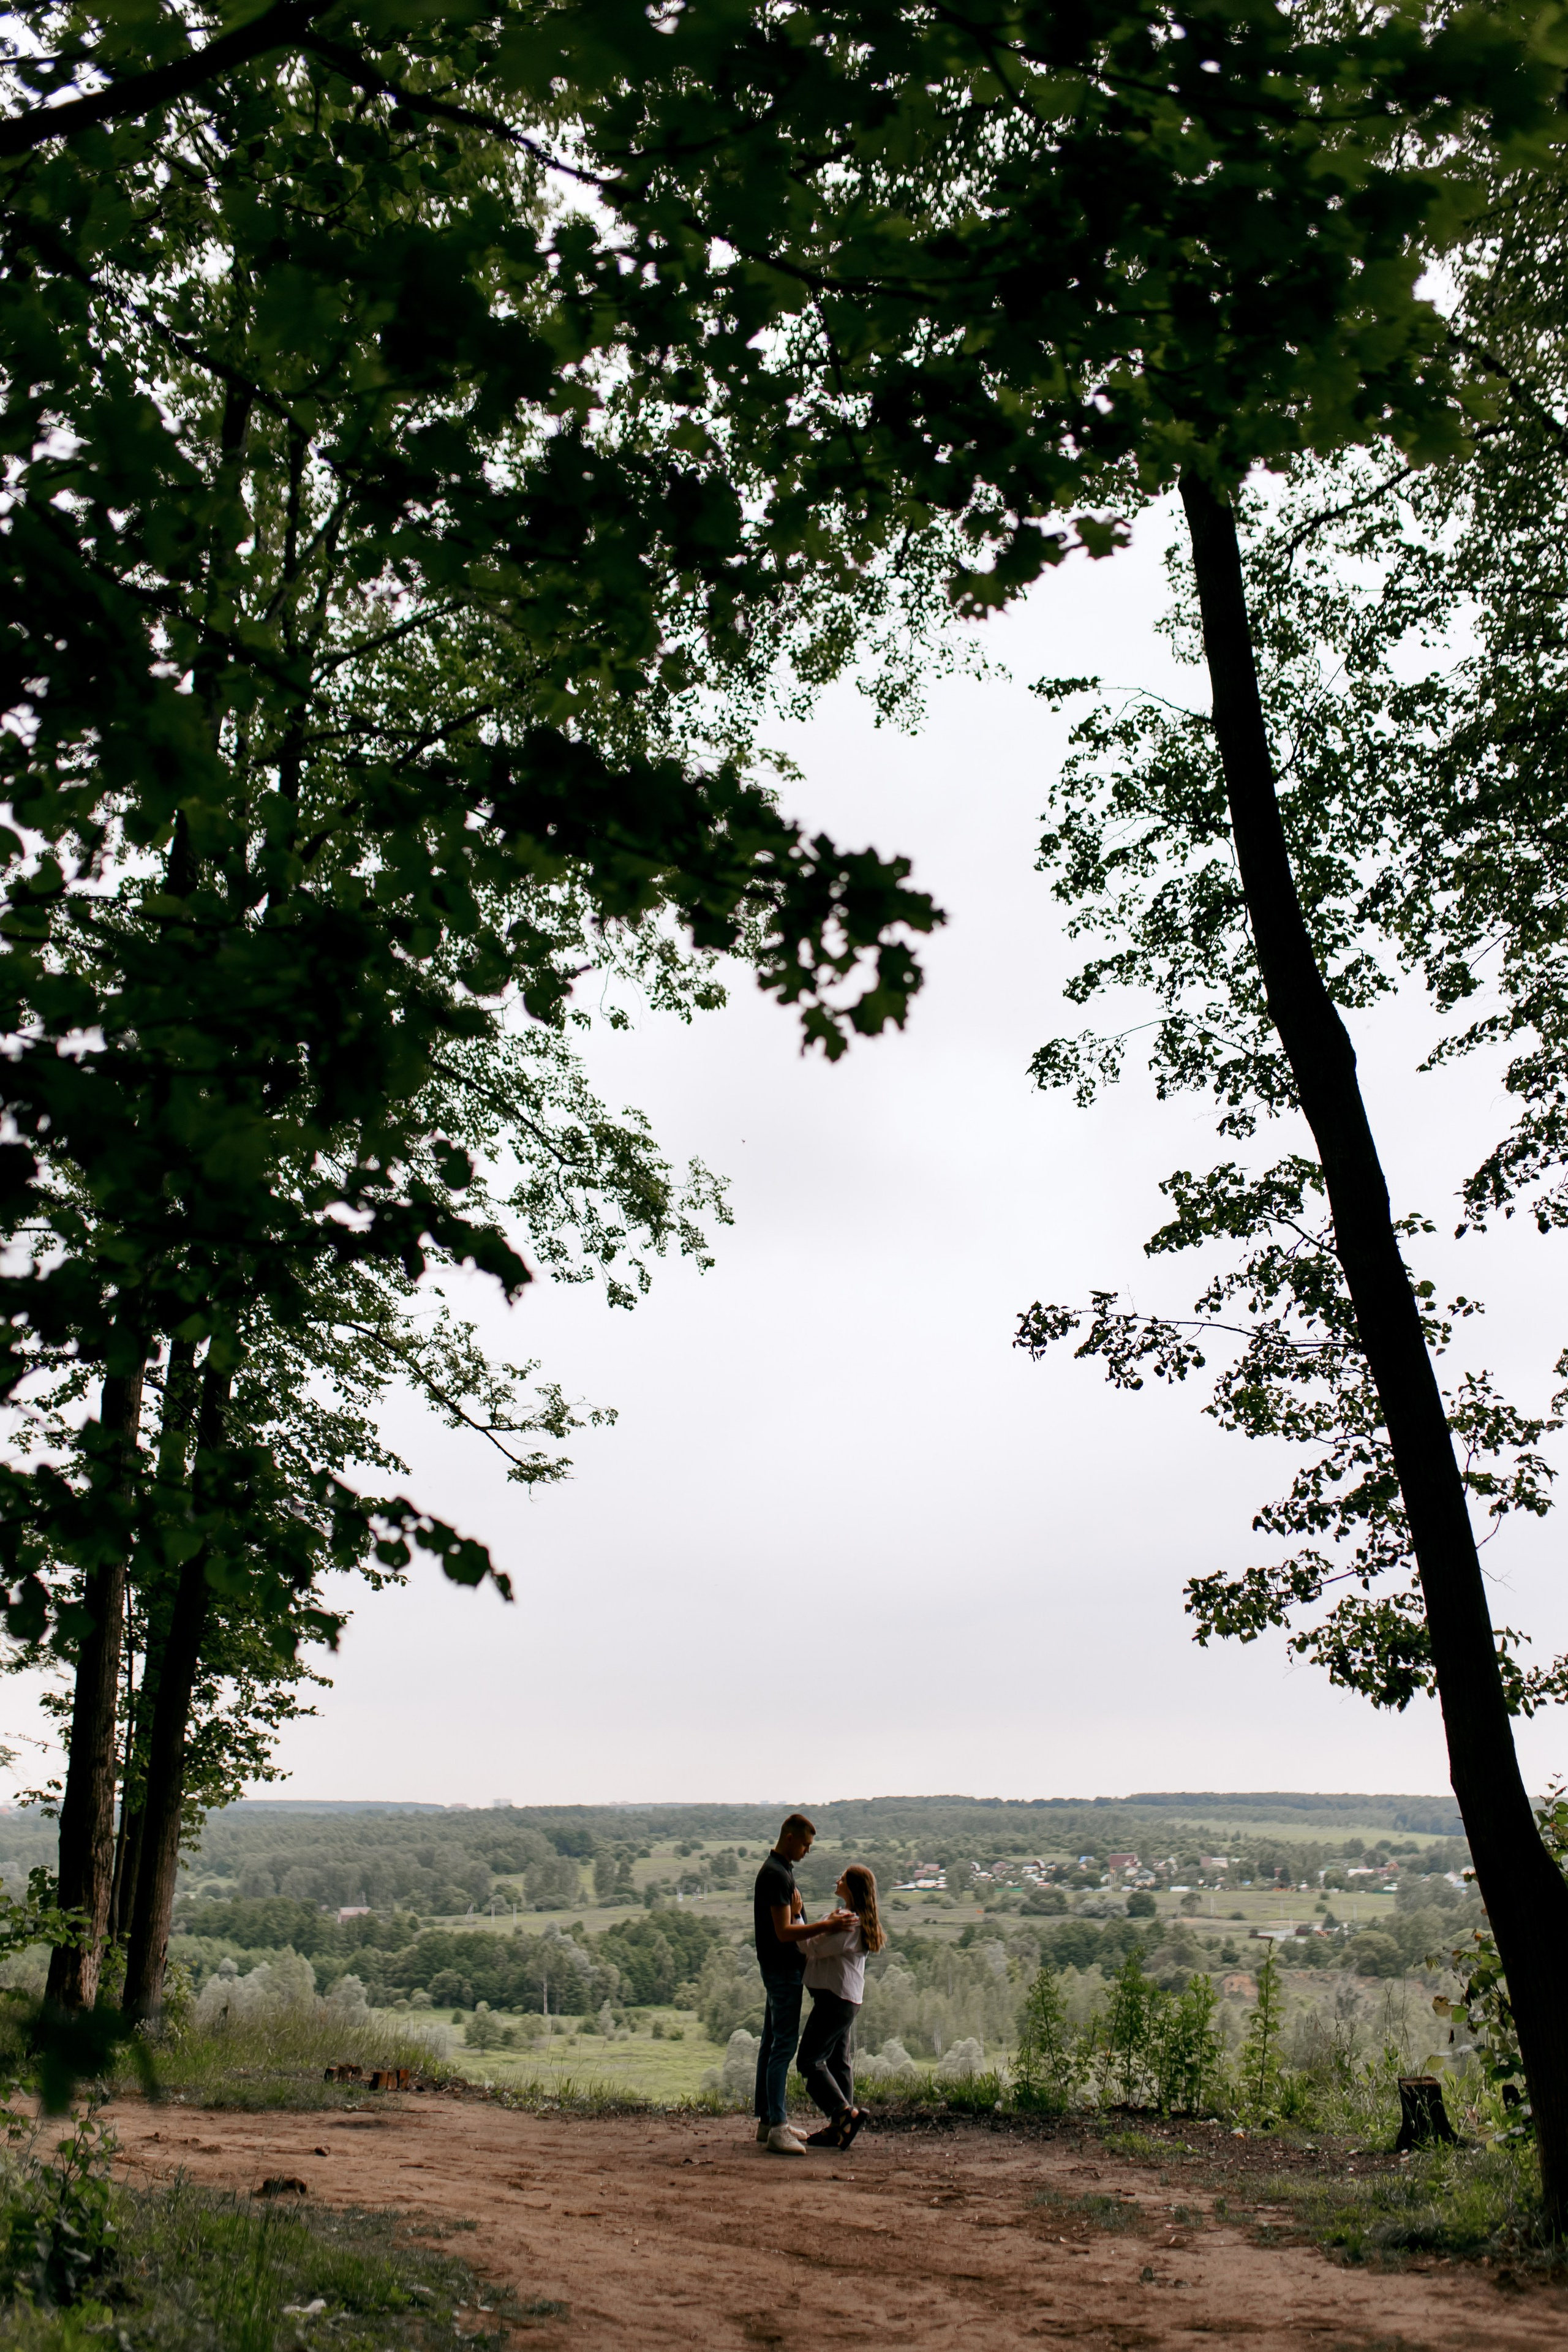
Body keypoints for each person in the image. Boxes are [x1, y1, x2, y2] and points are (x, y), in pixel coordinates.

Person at [752, 1813, 853, 2155]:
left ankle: (768, 2121)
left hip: (778, 1967)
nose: (808, 1851)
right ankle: (778, 2128)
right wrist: (827, 1928)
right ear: (791, 1838)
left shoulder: (779, 1870)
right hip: (783, 1970)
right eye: (806, 1845)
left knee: (771, 2043)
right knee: (783, 2047)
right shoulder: (776, 1875)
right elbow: (783, 1933)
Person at [796, 1863, 883, 2149]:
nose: (837, 1879)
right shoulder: (858, 1922)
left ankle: (844, 2113)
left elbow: (811, 1947)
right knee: (837, 2061)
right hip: (847, 2000)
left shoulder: (847, 1922)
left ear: (853, 1888)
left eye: (843, 1878)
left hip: (834, 1999)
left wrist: (796, 1916)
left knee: (809, 2060)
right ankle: (839, 2129)